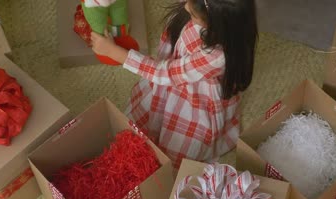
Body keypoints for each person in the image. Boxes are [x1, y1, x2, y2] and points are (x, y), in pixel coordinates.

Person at [91, 0, 258, 169]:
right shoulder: (212, 15)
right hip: (173, 72)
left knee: (174, 151)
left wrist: (114, 53)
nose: (185, 7)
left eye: (192, 14)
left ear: (216, 22)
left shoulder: (217, 55)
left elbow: (164, 73)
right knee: (146, 115)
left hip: (192, 95)